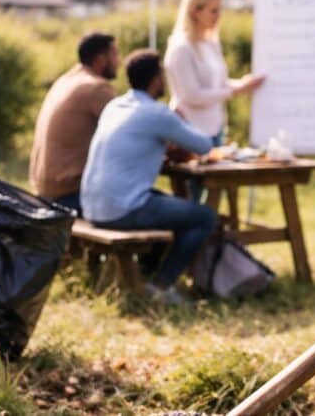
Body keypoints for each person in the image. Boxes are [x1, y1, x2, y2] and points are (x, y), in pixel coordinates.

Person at [81, 49, 218, 305]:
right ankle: (161, 286)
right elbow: (203, 145)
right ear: (156, 80)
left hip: (92, 206)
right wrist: (182, 121)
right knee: (204, 217)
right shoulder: (156, 113)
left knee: (166, 204)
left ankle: (145, 275)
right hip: (120, 210)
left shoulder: (116, 105)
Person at [164, 0, 264, 145]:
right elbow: (192, 95)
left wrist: (243, 85)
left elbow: (218, 84)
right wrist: (235, 91)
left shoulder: (210, 43)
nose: (218, 16)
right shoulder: (181, 48)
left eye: (219, 10)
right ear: (196, 11)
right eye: (213, 11)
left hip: (215, 129)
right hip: (190, 131)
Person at [29, 32, 120, 214]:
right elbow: (129, 130)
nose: (120, 61)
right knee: (151, 207)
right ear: (101, 60)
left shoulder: (66, 80)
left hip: (44, 190)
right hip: (70, 194)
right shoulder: (96, 87)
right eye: (115, 55)